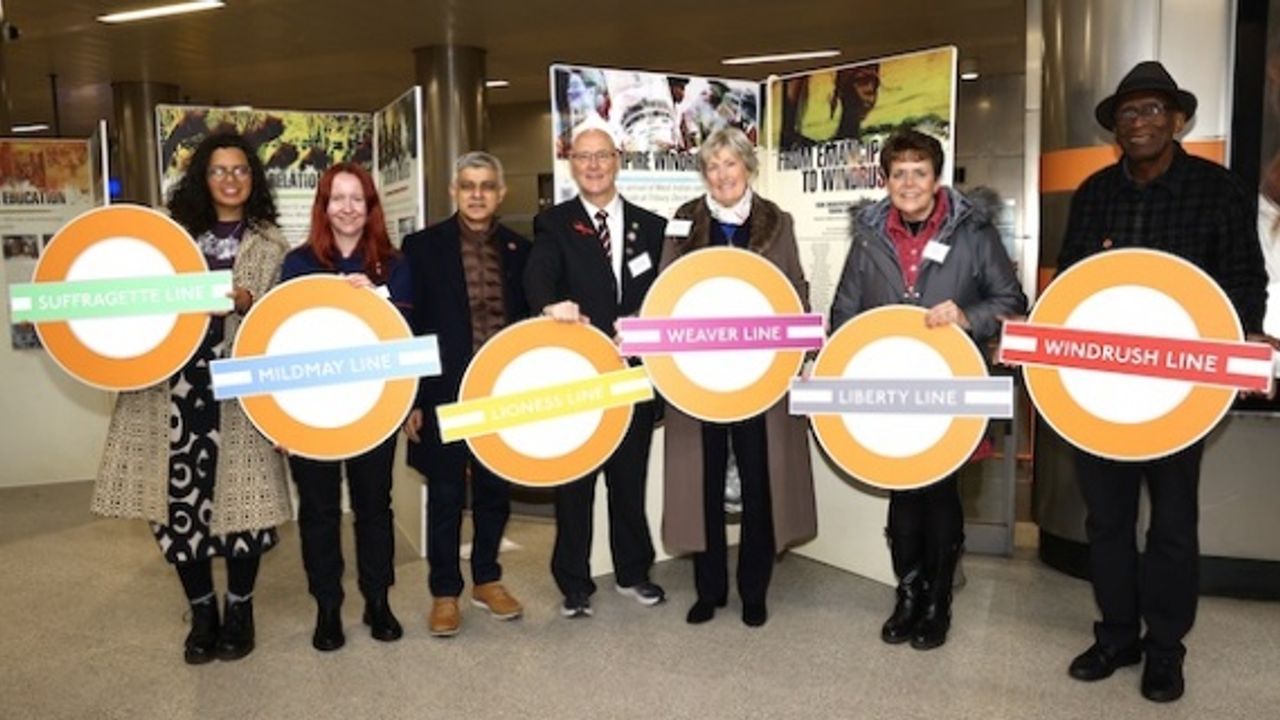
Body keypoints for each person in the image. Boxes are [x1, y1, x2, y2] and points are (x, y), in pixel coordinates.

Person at [1057, 61, 1267, 703]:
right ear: (1115, 128)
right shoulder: (1093, 195)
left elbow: (1244, 282)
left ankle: (1165, 649)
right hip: (1100, 392)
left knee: (1173, 523)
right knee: (1107, 521)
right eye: (1128, 113)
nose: (1140, 122)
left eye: (1152, 111)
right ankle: (1117, 634)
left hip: (1182, 395)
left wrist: (1241, 348)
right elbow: (1070, 287)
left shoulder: (1220, 191)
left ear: (1177, 120)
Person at [92, 132, 291, 664]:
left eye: (241, 170)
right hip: (171, 392)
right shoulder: (168, 239)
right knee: (180, 509)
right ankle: (202, 612)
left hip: (240, 392)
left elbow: (284, 324)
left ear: (254, 179)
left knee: (246, 512)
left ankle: (240, 610)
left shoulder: (271, 245)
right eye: (219, 170)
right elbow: (131, 301)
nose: (231, 179)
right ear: (202, 178)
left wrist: (250, 304)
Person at [830, 129, 1026, 650]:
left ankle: (938, 602)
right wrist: (833, 363)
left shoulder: (973, 232)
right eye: (899, 173)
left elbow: (1011, 301)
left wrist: (968, 316)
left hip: (952, 390)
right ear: (886, 180)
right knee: (903, 493)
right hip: (887, 393)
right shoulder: (869, 238)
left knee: (940, 494)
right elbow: (845, 312)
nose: (909, 182)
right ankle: (908, 595)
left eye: (920, 171)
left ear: (935, 177)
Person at [660, 127, 817, 628]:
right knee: (701, 482)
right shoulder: (684, 221)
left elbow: (794, 287)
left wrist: (804, 346)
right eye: (712, 166)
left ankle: (754, 589)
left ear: (747, 166)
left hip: (761, 378)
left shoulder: (778, 221)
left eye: (730, 164)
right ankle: (709, 590)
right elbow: (666, 293)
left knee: (759, 479)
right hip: (699, 378)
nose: (722, 174)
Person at [524, 117, 667, 618]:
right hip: (580, 377)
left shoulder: (653, 227)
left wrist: (646, 327)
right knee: (576, 485)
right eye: (583, 157)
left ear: (618, 162)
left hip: (633, 374)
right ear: (572, 165)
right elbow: (538, 276)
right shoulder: (555, 223)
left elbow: (665, 297)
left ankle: (634, 572)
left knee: (629, 481)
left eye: (602, 155)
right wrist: (548, 306)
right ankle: (574, 583)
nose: (593, 165)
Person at [279, 162, 413, 651]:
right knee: (318, 511)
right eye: (338, 198)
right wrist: (279, 420)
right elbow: (278, 343)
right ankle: (328, 607)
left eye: (358, 198)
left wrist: (376, 299)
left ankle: (378, 601)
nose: (348, 208)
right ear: (324, 206)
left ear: (371, 206)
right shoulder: (298, 265)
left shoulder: (394, 266)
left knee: (374, 508)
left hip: (373, 410)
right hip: (311, 412)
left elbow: (407, 340)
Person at [401, 152, 532, 637]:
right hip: (443, 391)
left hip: (501, 392)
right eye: (468, 185)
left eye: (487, 186)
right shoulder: (421, 248)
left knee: (496, 490)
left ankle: (487, 579)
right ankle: (444, 592)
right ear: (454, 192)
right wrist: (411, 397)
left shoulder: (522, 249)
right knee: (447, 494)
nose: (477, 194)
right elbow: (409, 326)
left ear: (501, 194)